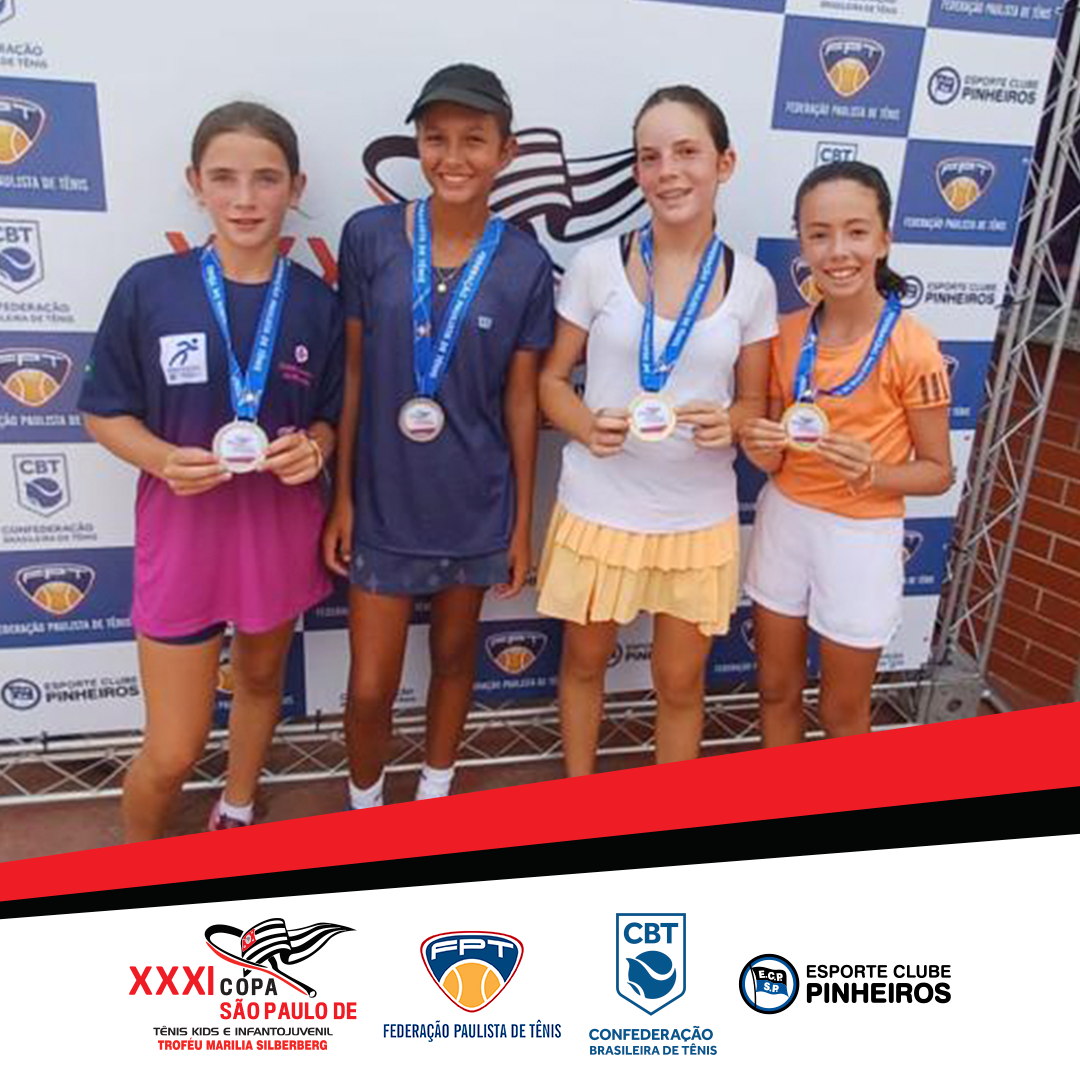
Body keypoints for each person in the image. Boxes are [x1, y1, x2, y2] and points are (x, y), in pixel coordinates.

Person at [79, 102, 343, 840]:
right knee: (172, 750)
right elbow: (102, 412)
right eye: (224, 178)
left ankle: (238, 806)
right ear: (195, 184)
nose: (245, 198)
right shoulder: (149, 287)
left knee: (260, 681)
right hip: (183, 537)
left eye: (266, 179)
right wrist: (162, 459)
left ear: (295, 187)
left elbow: (330, 417)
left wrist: (316, 446)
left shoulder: (317, 302)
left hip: (278, 533)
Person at [325, 63, 554, 809]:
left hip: (474, 502)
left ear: (507, 151)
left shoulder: (524, 262)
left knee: (455, 660)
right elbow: (351, 374)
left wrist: (518, 522)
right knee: (370, 685)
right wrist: (342, 498)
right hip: (383, 503)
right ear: (417, 146)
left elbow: (521, 401)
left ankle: (434, 793)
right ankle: (365, 807)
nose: (453, 157)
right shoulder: (369, 238)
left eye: (474, 139)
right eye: (436, 138)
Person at [537, 86, 777, 776]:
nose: (667, 171)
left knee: (679, 684)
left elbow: (754, 402)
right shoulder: (595, 265)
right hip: (599, 510)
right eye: (650, 157)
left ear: (724, 163)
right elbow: (550, 381)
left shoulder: (752, 283)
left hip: (695, 519)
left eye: (687, 152)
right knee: (584, 666)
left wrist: (730, 422)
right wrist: (586, 425)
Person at [741, 160, 953, 745]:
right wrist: (759, 445)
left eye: (856, 232)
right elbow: (774, 456)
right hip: (785, 520)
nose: (838, 251)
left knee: (842, 713)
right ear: (802, 243)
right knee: (775, 690)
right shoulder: (786, 334)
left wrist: (876, 471)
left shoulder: (915, 347)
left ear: (884, 240)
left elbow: (938, 473)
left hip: (861, 537)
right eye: (819, 234)